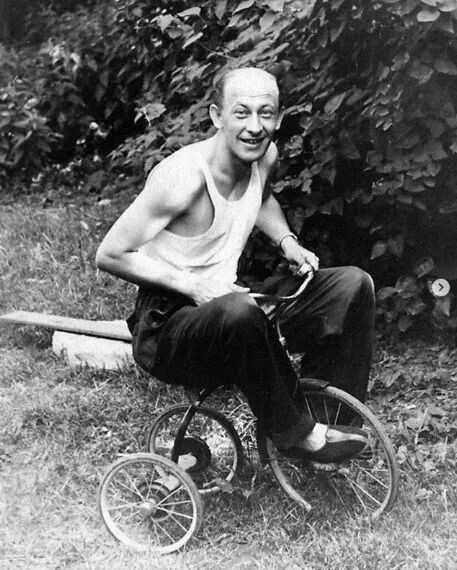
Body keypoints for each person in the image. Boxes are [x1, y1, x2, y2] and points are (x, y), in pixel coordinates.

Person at [96, 67, 375, 463]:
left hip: (232, 310)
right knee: (239, 311)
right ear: (217, 116)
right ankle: (297, 435)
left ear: (278, 117)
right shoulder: (182, 177)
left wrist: (287, 242)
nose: (255, 127)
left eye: (266, 113)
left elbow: (261, 198)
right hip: (169, 329)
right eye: (241, 113)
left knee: (352, 285)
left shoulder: (264, 156)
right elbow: (110, 253)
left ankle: (330, 424)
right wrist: (193, 286)